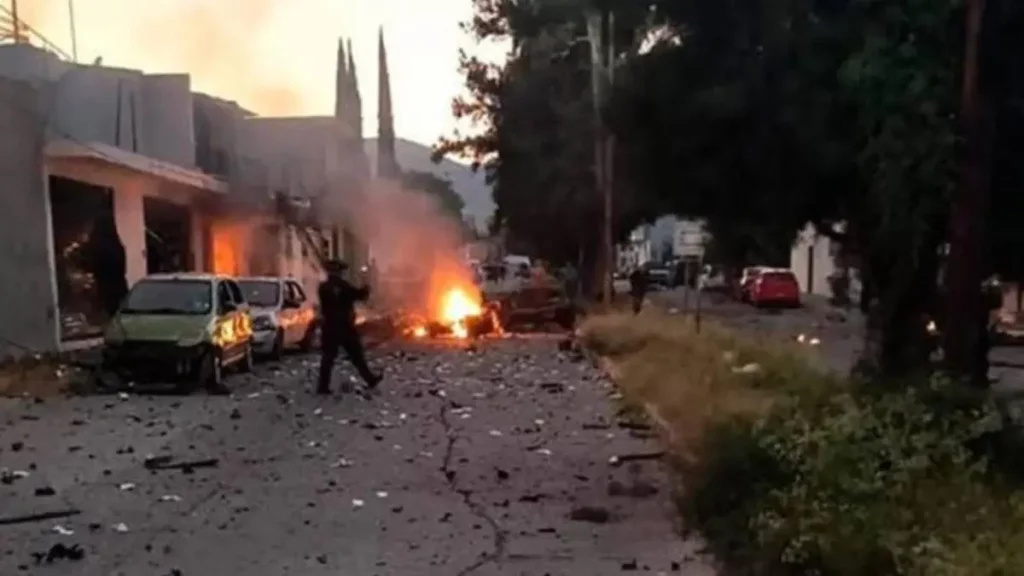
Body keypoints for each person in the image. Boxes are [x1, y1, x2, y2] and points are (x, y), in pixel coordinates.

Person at [317, 260, 383, 395]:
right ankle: (370, 379)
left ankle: (323, 387)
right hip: (344, 327)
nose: (342, 273)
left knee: (328, 357)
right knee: (356, 355)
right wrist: (367, 285)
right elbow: (360, 295)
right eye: (341, 271)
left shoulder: (323, 287)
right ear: (338, 272)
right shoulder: (342, 286)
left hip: (329, 327)